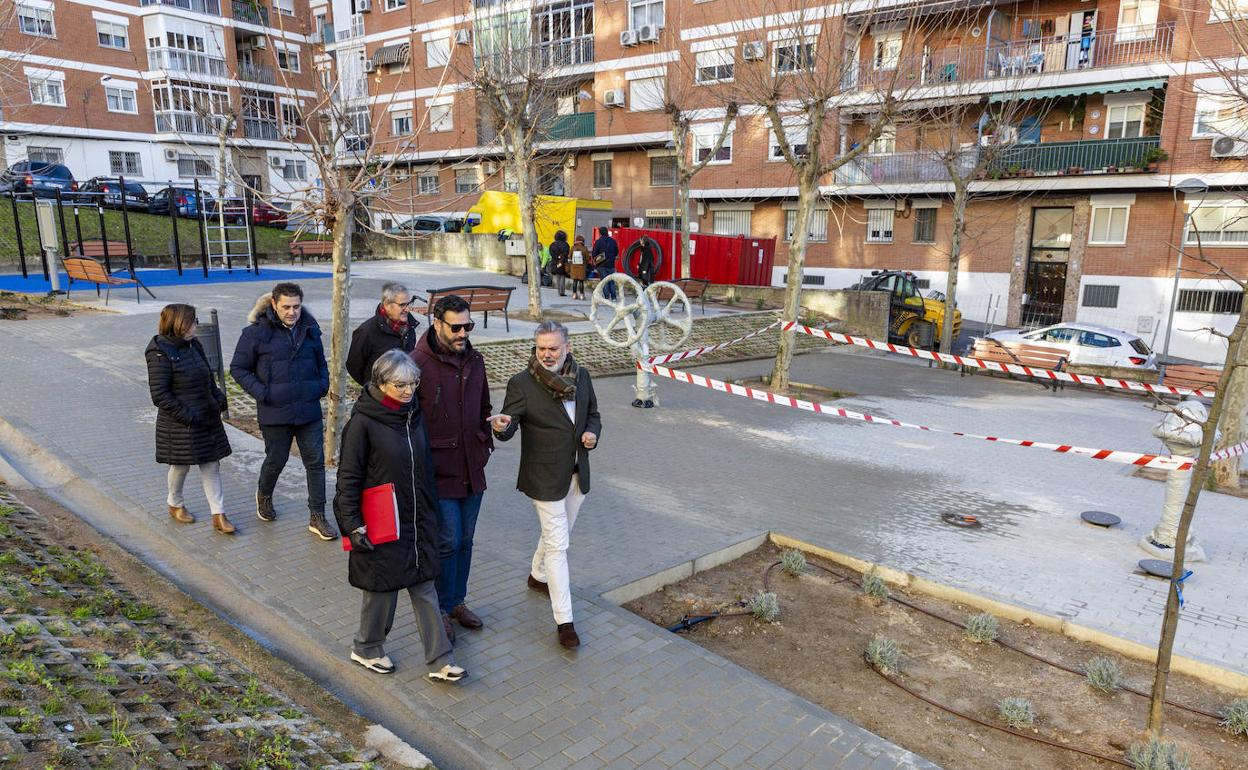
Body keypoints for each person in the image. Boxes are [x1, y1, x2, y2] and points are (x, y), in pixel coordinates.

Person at [334, 350, 466, 683]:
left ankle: (440, 659)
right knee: (381, 590)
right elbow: (347, 479)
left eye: (413, 383)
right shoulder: (361, 424)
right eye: (400, 385)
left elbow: (421, 469)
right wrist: (352, 524)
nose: (408, 391)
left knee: (424, 587)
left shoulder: (413, 415)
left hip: (417, 519)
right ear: (379, 383)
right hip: (381, 522)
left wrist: (431, 512)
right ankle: (366, 647)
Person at [490, 321, 601, 648]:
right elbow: (509, 427)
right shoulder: (522, 383)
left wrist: (592, 435)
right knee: (559, 545)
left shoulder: (581, 377)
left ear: (567, 347)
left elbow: (593, 413)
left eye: (553, 348)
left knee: (559, 534)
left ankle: (537, 575)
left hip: (577, 472)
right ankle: (565, 621)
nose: (547, 355)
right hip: (543, 476)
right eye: (541, 349)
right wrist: (501, 427)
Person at [411, 294, 493, 643]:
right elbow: (409, 420)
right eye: (456, 327)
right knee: (446, 542)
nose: (463, 333)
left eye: (468, 326)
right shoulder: (417, 363)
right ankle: (441, 609)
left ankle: (457, 602)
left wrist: (489, 435)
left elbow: (485, 404)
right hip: (438, 472)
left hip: (472, 469)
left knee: (466, 541)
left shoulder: (475, 359)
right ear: (437, 323)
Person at [229, 282, 337, 542]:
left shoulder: (310, 330)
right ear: (274, 305)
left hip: (308, 410)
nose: (292, 312)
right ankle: (264, 494)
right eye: (286, 307)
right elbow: (238, 369)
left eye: (296, 306)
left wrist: (321, 387)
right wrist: (264, 393)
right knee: (276, 460)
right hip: (274, 412)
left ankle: (317, 516)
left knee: (315, 462)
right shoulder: (255, 333)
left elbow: (322, 364)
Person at [145, 304, 235, 535]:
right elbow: (160, 395)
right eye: (192, 321)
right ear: (177, 323)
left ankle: (219, 514)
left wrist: (219, 400)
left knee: (211, 465)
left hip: (207, 417)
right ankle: (174, 503)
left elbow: (208, 377)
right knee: (181, 466)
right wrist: (189, 417)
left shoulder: (194, 344)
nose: (196, 325)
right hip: (180, 423)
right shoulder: (158, 351)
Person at [346, 282, 420, 388]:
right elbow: (353, 366)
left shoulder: (410, 326)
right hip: (378, 397)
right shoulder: (366, 331)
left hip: (404, 394)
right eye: (402, 305)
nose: (407, 309)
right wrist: (373, 387)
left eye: (409, 304)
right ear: (387, 305)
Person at [590, 228, 619, 300]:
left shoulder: (598, 242)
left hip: (601, 264)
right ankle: (613, 297)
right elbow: (616, 251)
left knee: (604, 280)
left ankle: (606, 296)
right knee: (611, 280)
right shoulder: (613, 241)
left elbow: (594, 254)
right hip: (611, 264)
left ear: (600, 233)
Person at [549, 230, 570, 297]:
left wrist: (557, 257)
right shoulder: (566, 244)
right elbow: (566, 253)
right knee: (563, 277)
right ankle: (562, 291)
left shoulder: (552, 245)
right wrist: (561, 257)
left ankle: (559, 291)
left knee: (557, 277)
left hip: (555, 262)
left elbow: (551, 254)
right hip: (563, 262)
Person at [569, 234, 589, 300]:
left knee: (575, 281)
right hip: (582, 267)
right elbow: (587, 258)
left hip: (574, 267)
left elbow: (569, 257)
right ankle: (581, 295)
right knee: (581, 281)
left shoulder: (573, 248)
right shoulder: (584, 248)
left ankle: (574, 295)